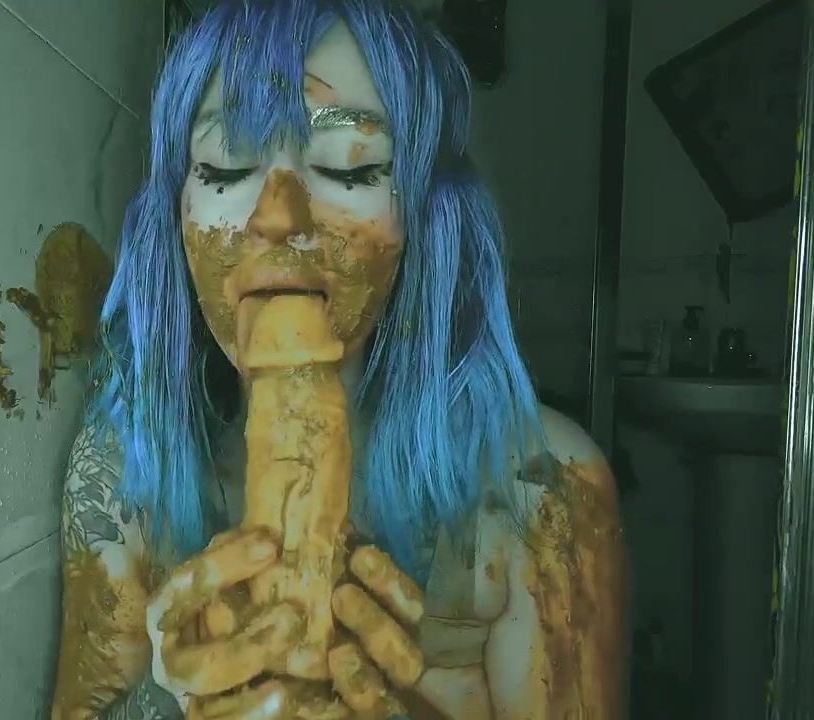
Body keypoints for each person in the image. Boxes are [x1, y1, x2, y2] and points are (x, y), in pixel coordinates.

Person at [50, 1, 626, 718]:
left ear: (424, 219)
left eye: (349, 168)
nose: (278, 216)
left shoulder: (544, 493)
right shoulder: (124, 473)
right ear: (174, 217)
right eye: (225, 166)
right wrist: (164, 704)